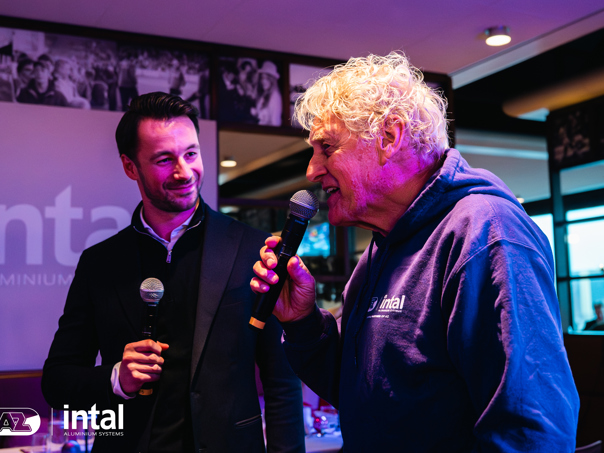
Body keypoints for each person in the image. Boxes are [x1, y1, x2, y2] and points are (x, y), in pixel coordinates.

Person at [251, 53, 580, 452]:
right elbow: (359, 394)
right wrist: (302, 321)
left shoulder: (486, 233)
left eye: (327, 147)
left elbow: (531, 431)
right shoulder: (383, 246)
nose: (312, 170)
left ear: (390, 137)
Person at [43, 92, 305, 452]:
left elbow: (282, 382)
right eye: (164, 159)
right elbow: (57, 381)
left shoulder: (253, 249)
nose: (184, 172)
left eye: (191, 154)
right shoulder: (100, 263)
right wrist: (117, 378)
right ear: (130, 167)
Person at [253, 61, 282, 126]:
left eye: (267, 78)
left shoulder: (275, 96)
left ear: (272, 80)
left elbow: (275, 123)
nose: (263, 81)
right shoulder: (263, 94)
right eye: (262, 78)